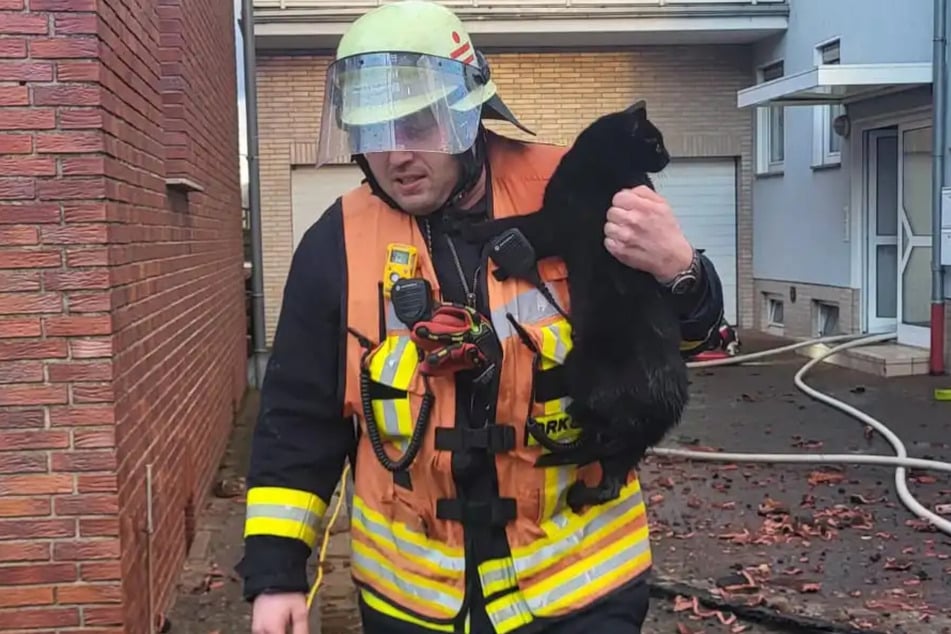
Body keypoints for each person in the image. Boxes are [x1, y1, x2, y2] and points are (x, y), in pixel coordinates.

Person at [236, 2, 726, 633]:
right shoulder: (336, 243)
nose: (397, 156)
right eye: (373, 132)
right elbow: (297, 421)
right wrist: (276, 575)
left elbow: (682, 341)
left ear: (469, 113)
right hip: (412, 604)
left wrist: (679, 270)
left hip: (580, 596)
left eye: (416, 124)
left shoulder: (578, 186)